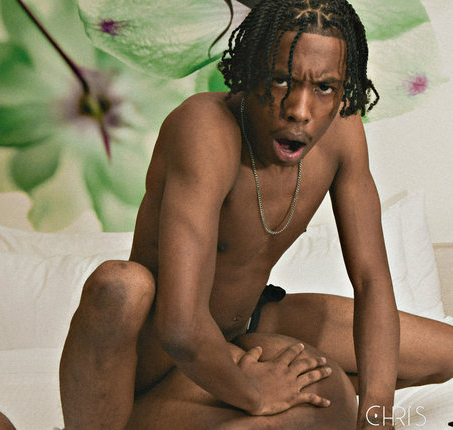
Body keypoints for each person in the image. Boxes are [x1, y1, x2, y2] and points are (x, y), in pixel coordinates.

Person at [60, 0, 453, 429]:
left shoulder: (343, 132)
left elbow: (371, 281)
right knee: (121, 284)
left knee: (442, 353)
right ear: (251, 72)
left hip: (249, 319)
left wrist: (377, 416)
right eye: (282, 80)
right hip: (159, 353)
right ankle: (129, 415)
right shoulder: (204, 129)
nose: (300, 110)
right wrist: (254, 393)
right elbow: (180, 326)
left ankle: (203, 404)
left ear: (345, 89)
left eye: (325, 88)